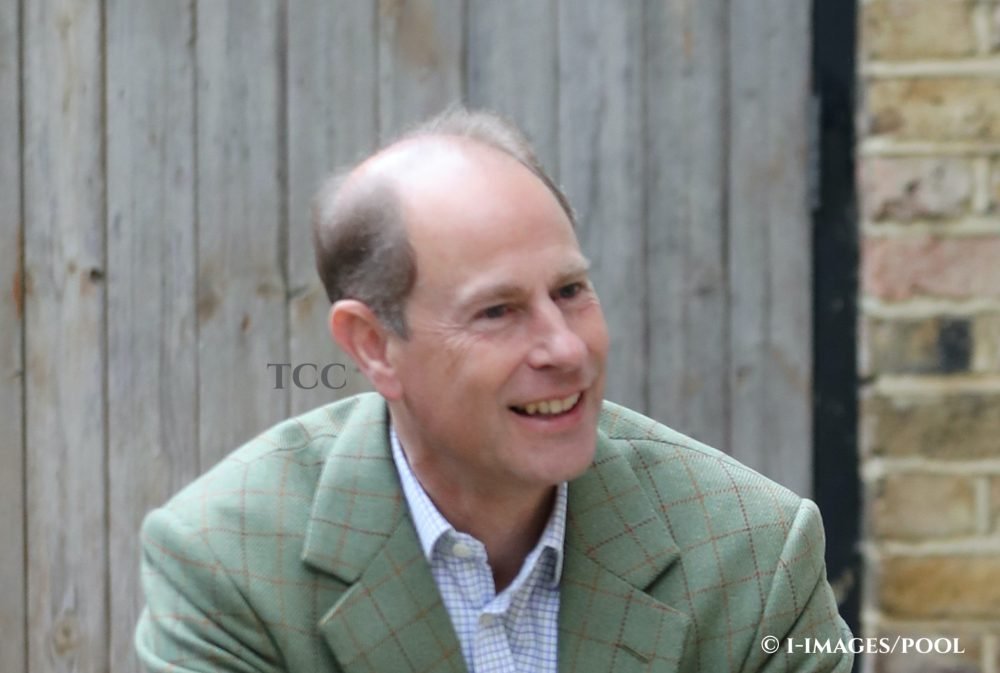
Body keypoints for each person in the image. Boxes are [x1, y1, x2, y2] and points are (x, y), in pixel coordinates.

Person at [136, 108, 852, 673]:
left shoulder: (753, 554)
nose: (566, 348)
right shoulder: (224, 563)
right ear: (373, 345)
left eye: (571, 290)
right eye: (498, 311)